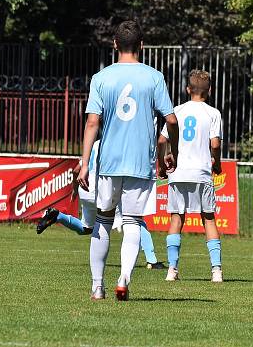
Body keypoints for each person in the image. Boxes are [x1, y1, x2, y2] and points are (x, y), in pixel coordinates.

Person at [77, 20, 179, 301]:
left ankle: (98, 286)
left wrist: (85, 162)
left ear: (114, 44)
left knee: (103, 221)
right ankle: (124, 277)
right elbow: (171, 119)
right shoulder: (154, 77)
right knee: (133, 221)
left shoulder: (101, 78)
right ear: (142, 46)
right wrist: (173, 150)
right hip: (139, 163)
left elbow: (92, 122)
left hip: (109, 162)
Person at [36, 138, 167, 269]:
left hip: (86, 190)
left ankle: (58, 216)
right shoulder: (116, 143)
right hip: (103, 189)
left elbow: (76, 170)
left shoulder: (95, 144)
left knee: (86, 228)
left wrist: (75, 190)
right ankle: (152, 260)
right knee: (134, 219)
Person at [157, 69, 224, 283]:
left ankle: (172, 270)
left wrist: (162, 163)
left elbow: (161, 141)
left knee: (177, 219)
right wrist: (218, 164)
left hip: (179, 172)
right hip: (202, 172)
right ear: (210, 91)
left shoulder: (176, 110)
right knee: (209, 219)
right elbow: (215, 144)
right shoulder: (213, 113)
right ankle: (216, 271)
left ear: (188, 89)